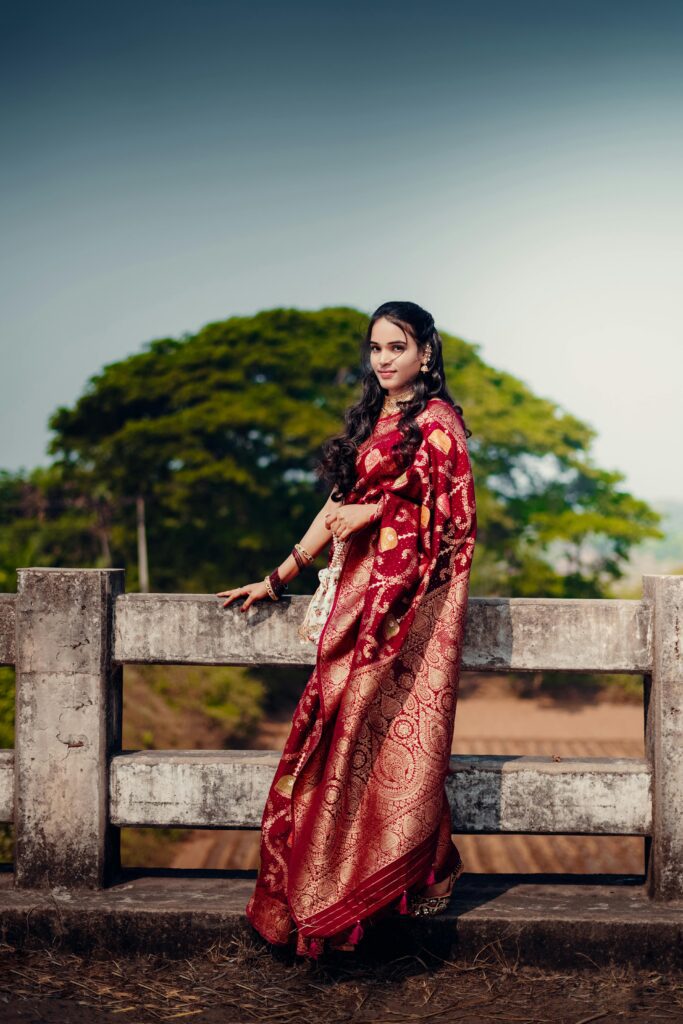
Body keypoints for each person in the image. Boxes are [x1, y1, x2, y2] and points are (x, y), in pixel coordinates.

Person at [216, 301, 477, 958]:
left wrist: (374, 514)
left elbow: (451, 529)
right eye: (375, 348)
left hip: (392, 625)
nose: (383, 359)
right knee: (327, 752)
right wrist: (278, 576)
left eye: (396, 347)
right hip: (347, 623)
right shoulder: (374, 421)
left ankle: (368, 906)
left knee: (377, 752)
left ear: (425, 352)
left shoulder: (439, 427)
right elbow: (335, 508)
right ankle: (316, 904)